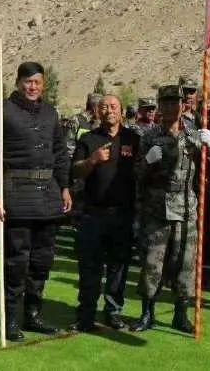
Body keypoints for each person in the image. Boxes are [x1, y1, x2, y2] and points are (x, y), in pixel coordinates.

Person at [0, 61, 71, 341]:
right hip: (16, 194)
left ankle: (33, 315)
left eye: (37, 82)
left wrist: (65, 187)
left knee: (42, 260)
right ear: (18, 82)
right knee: (16, 262)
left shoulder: (50, 113)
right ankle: (10, 319)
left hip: (48, 196)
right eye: (28, 81)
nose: (32, 87)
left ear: (43, 84)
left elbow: (60, 153)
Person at [131, 85, 210, 334]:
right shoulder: (149, 137)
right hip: (157, 210)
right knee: (152, 264)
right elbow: (136, 175)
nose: (171, 107)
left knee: (186, 265)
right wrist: (147, 162)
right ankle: (147, 313)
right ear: (160, 105)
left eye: (175, 102)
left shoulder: (193, 135)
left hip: (187, 209)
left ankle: (181, 314)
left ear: (182, 105)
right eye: (166, 102)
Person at [71, 94, 139, 331]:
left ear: (122, 111)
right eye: (104, 107)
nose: (109, 110)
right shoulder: (88, 139)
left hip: (123, 214)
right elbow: (75, 171)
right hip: (93, 214)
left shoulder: (133, 139)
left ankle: (113, 312)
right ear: (97, 112)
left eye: (113, 106)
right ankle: (86, 315)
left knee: (118, 268)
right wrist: (92, 160)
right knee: (90, 268)